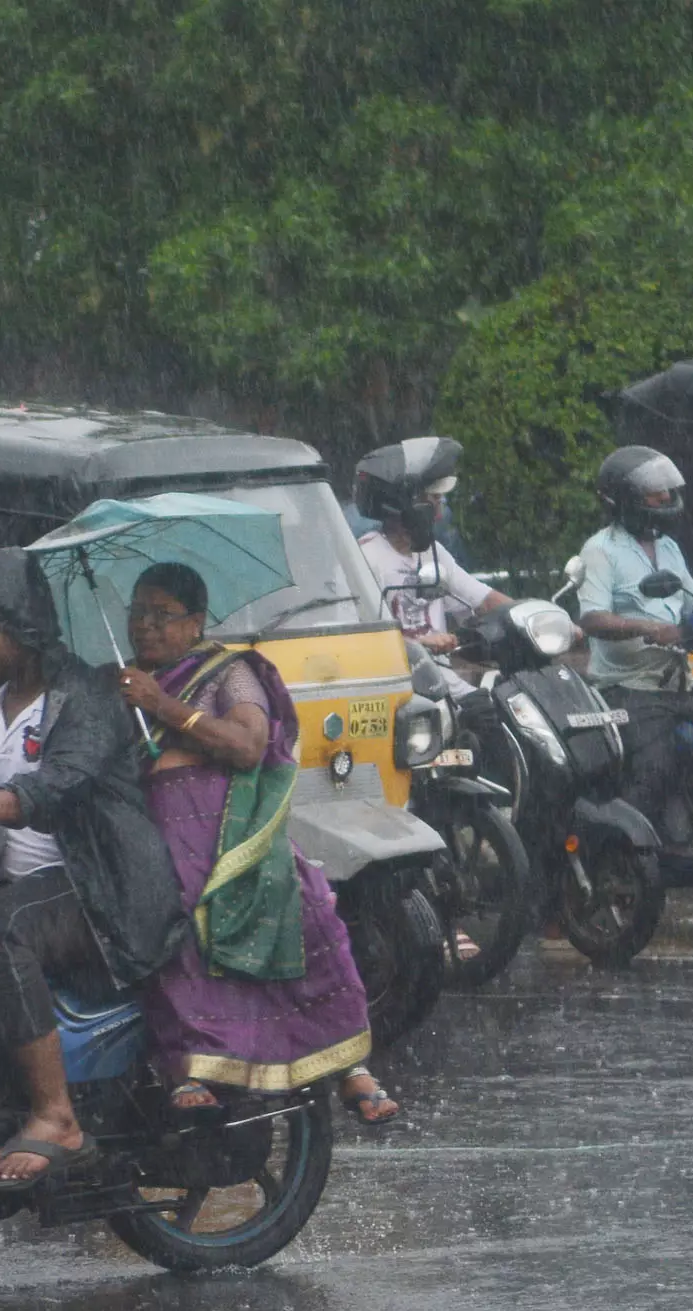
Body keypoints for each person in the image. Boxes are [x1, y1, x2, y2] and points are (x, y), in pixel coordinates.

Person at [0, 549, 186, 1189]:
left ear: (23, 628)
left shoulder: (85, 697)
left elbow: (54, 787)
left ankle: (56, 1116)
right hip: (12, 879)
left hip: (97, 885)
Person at [113, 562, 396, 1126]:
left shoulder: (227, 672)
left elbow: (247, 745)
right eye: (137, 613)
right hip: (152, 831)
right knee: (171, 907)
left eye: (161, 614)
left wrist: (161, 705)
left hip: (232, 827)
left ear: (196, 622)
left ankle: (348, 1065)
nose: (145, 626)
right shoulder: (118, 683)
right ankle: (194, 1063)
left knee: (306, 903)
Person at [573, 445, 693, 926]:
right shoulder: (600, 550)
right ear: (624, 499)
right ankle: (615, 872)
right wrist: (647, 628)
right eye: (653, 494)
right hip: (630, 686)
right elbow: (592, 617)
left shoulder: (669, 548)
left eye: (666, 492)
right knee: (655, 769)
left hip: (681, 681)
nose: (664, 499)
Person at [353, 437, 513, 699]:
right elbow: (363, 638)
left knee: (504, 706)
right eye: (434, 497)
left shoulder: (431, 552)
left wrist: (537, 619)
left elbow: (484, 600)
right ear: (406, 504)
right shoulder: (367, 557)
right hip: (404, 693)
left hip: (446, 686)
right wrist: (418, 644)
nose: (441, 503)